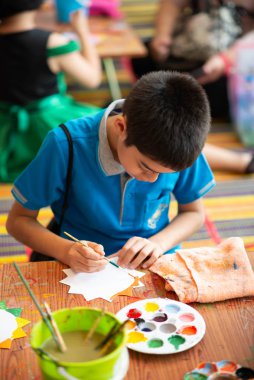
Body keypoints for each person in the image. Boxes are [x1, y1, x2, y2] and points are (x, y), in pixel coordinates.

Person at [7, 71, 215, 273]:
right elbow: (18, 221)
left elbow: (194, 213)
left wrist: (159, 243)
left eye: (165, 173)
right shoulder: (65, 145)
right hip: (80, 264)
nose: (153, 180)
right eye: (145, 167)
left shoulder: (181, 146)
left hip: (156, 255)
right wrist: (66, 251)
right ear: (121, 126)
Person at [131, 0, 254, 174]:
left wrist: (225, 60)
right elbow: (172, 3)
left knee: (220, 92)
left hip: (233, 64)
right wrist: (162, 36)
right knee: (141, 56)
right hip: (189, 53)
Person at [0, 0, 102, 183]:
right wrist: (83, 31)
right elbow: (92, 79)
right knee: (103, 130)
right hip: (49, 125)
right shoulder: (52, 43)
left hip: (4, 127)